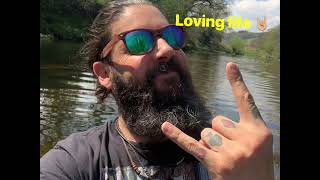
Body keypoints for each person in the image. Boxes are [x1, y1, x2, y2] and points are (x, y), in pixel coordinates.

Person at [40, 0, 274, 179]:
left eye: (172, 36)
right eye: (139, 41)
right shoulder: (74, 162)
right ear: (104, 73)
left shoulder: (237, 154)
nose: (166, 49)